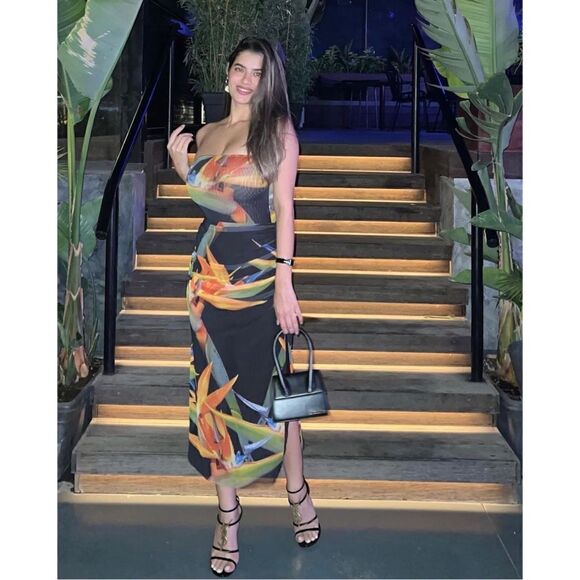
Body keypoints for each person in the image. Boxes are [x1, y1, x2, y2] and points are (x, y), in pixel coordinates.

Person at [167, 36, 321, 577]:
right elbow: (216, 207)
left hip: (258, 280)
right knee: (215, 399)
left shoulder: (278, 132)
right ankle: (228, 518)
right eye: (239, 69)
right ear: (227, 72)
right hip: (208, 281)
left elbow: (284, 208)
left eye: (257, 72)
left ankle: (298, 492)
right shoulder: (208, 133)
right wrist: (183, 167)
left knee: (276, 394)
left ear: (268, 80)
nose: (246, 80)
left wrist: (285, 283)